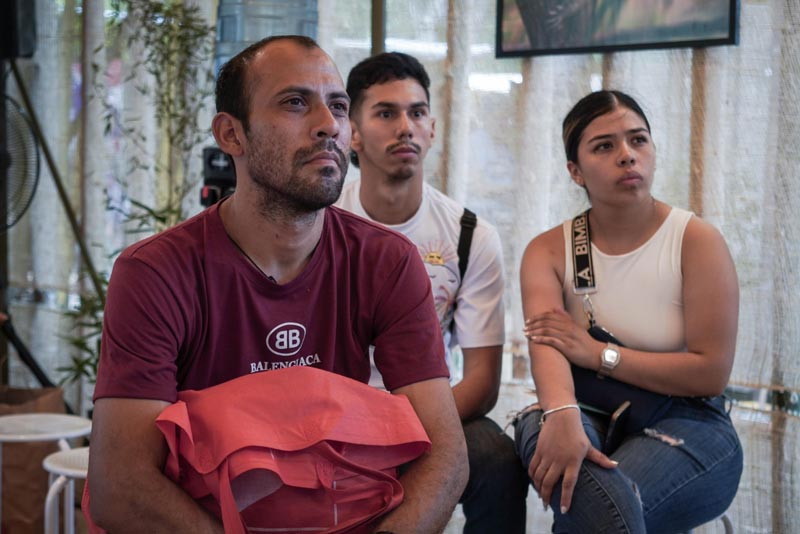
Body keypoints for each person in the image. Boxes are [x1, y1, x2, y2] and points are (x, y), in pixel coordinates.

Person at [86, 35, 468, 534]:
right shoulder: (156, 271)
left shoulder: (387, 261)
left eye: (337, 106)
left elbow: (447, 456)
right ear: (231, 134)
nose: (328, 125)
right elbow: (121, 485)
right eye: (294, 103)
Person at [513, 90, 743, 533]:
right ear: (574, 172)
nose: (627, 156)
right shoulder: (550, 250)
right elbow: (549, 346)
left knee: (597, 513)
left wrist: (598, 354)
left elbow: (710, 373)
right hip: (582, 406)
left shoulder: (696, 241)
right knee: (567, 465)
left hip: (689, 420)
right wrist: (560, 413)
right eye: (605, 146)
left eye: (638, 140)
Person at [337, 52, 528, 533]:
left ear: (433, 129)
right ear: (352, 133)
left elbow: (482, 383)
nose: (406, 126)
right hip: (332, 412)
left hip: (426, 411)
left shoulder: (469, 236)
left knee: (497, 458)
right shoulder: (319, 219)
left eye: (417, 112)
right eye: (385, 113)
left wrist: (403, 431)